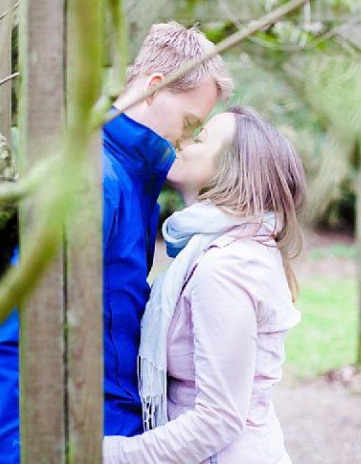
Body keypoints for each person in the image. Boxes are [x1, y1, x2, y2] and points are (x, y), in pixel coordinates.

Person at [0, 22, 233, 464]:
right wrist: (19, 452)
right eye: (189, 123)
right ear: (155, 88)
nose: (186, 141)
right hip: (76, 433)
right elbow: (11, 323)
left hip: (110, 426)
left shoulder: (133, 179)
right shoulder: (92, 180)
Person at [103, 106, 306, 464]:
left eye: (200, 137)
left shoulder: (226, 269)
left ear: (232, 171)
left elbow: (218, 419)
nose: (183, 141)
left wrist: (110, 453)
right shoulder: (223, 249)